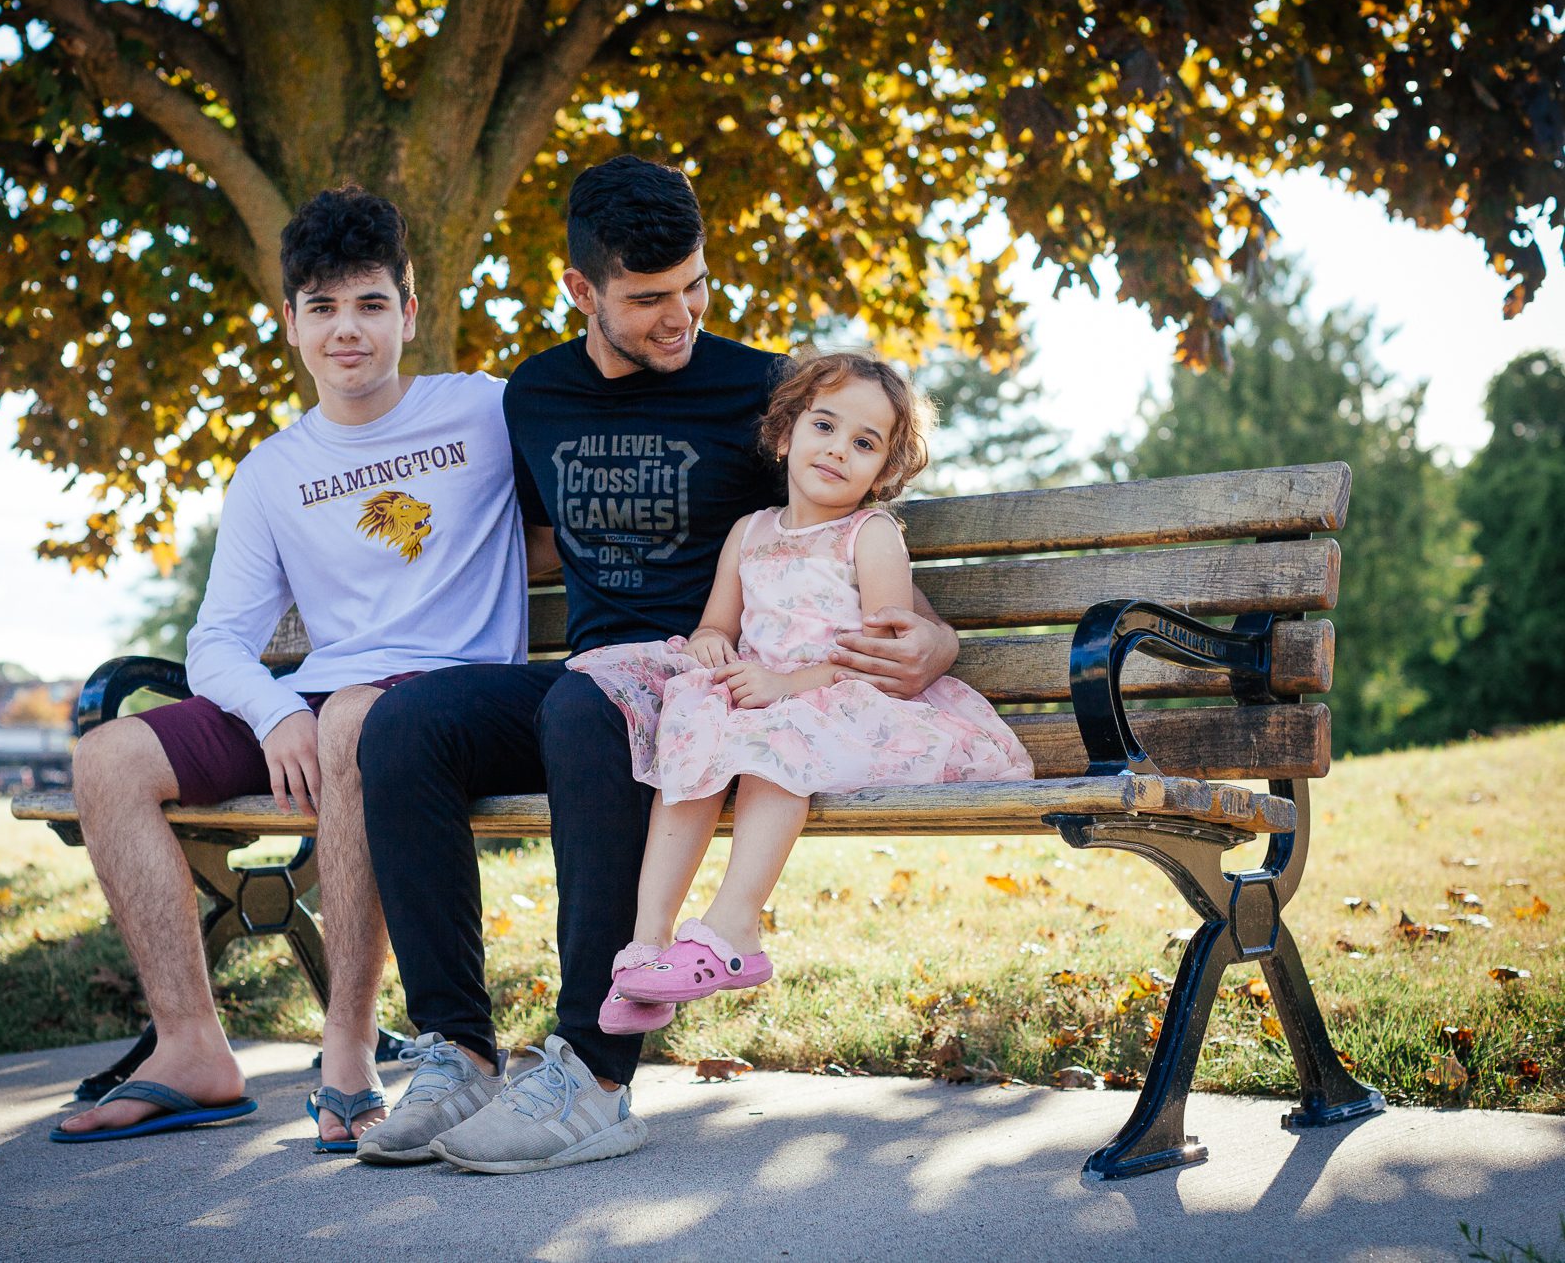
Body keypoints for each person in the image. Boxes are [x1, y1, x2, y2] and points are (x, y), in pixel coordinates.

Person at [356, 155, 961, 1174]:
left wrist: (933, 637)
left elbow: (847, 526)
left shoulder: (763, 388)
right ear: (581, 291)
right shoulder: (537, 394)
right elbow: (522, 535)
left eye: (694, 287)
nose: (679, 315)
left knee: (584, 710)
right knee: (404, 724)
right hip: (596, 674)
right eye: (647, 300)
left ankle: (592, 1074)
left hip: (710, 688)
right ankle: (457, 1052)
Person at [53, 187, 527, 1150]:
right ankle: (191, 1047)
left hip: (446, 701)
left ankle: (347, 1050)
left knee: (355, 717)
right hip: (320, 700)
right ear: (291, 322)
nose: (346, 330)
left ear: (409, 310)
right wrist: (273, 713)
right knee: (108, 759)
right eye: (323, 308)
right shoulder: (272, 470)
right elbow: (218, 641)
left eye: (369, 304)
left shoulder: (484, 411)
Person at [568, 351, 1033, 1027]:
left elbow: (884, 661)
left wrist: (788, 684)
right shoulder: (748, 533)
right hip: (767, 695)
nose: (839, 449)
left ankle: (733, 928)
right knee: (691, 718)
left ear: (885, 471)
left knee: (775, 738)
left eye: (865, 443)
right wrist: (710, 652)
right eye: (824, 426)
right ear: (785, 435)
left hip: (849, 702)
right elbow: (715, 626)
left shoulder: (870, 537)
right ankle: (647, 943)